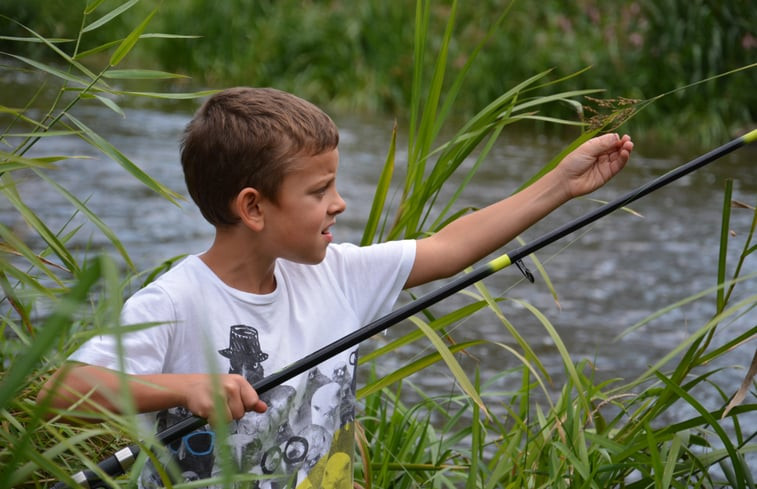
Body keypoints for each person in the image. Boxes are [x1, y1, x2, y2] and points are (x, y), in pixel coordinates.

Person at [37, 87, 633, 488]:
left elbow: (452, 249)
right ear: (253, 207)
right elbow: (63, 389)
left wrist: (560, 185)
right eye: (319, 190)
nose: (339, 203)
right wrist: (188, 386)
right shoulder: (177, 302)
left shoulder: (337, 272)